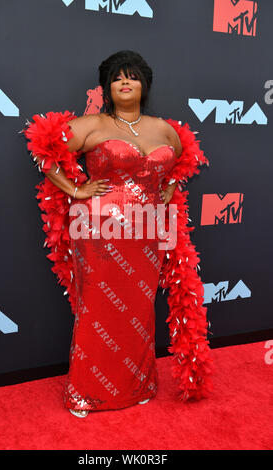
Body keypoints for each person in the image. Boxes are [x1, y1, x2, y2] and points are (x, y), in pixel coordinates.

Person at [23, 50, 213, 419]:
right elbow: (45, 152)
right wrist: (76, 190)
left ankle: (138, 385)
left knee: (139, 310)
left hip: (148, 233)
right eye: (117, 77)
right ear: (107, 87)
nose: (125, 82)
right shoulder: (91, 124)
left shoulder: (164, 129)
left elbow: (181, 164)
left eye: (132, 76)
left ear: (145, 84)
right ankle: (87, 392)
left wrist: (169, 190)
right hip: (99, 232)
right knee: (97, 309)